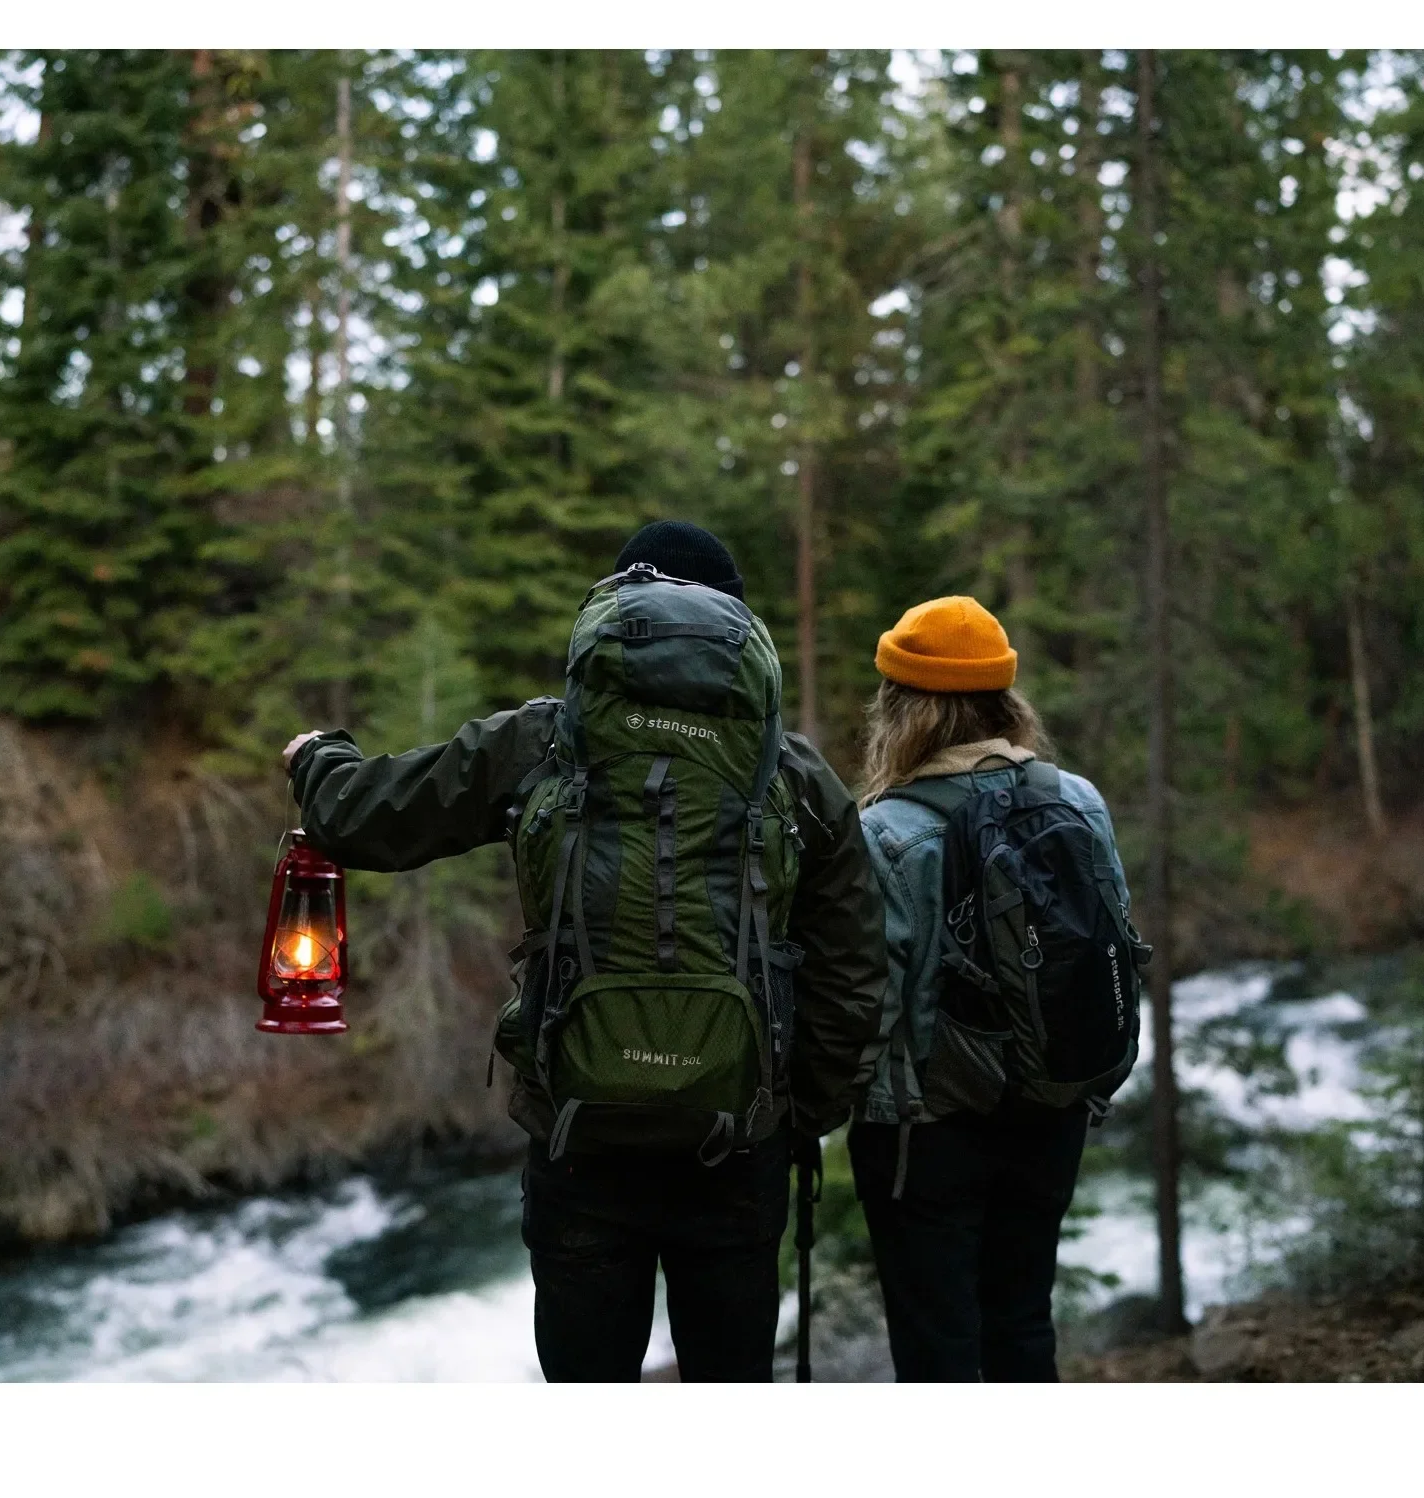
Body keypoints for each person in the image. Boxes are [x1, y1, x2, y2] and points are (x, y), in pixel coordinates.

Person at [283, 521, 886, 1382]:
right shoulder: (788, 772)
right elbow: (857, 968)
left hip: (581, 1141)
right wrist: (798, 1110)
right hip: (739, 1142)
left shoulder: (543, 741)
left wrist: (319, 758)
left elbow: (366, 819)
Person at [848, 595, 1137, 1382]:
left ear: (902, 709)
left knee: (937, 1345)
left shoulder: (886, 832)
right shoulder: (1077, 802)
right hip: (1053, 1108)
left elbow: (874, 1002)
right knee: (1021, 1325)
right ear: (1005, 702)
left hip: (926, 1132)